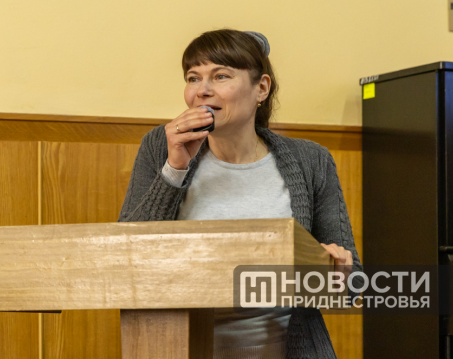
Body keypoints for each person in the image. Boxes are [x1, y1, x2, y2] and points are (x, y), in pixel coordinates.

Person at [118, 29, 362, 359]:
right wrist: (174, 169)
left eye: (221, 76)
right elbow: (124, 258)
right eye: (193, 78)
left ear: (261, 88)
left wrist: (336, 275)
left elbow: (351, 285)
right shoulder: (160, 147)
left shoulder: (311, 160)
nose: (202, 90)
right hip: (182, 348)